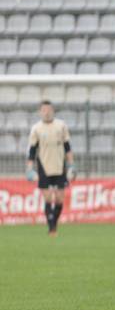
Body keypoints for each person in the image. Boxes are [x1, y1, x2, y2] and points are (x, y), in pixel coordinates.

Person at [26, 100, 75, 236]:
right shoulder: (36, 128)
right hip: (44, 167)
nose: (47, 112)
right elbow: (32, 150)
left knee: (59, 198)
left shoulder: (61, 126)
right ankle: (52, 228)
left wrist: (71, 165)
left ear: (53, 111)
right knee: (48, 198)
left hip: (60, 166)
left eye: (49, 109)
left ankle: (54, 224)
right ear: (40, 112)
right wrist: (29, 169)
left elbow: (68, 147)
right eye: (44, 110)